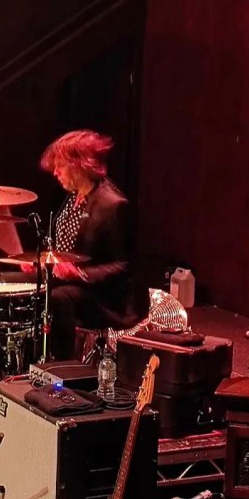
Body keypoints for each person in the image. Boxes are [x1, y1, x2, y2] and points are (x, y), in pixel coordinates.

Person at [31, 130, 148, 360]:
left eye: (60, 166)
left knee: (57, 298)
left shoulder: (112, 205)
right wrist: (41, 262)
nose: (55, 172)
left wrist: (79, 274)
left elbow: (124, 266)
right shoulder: (73, 198)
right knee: (12, 283)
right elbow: (65, 248)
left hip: (107, 298)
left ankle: (63, 365)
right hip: (72, 283)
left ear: (79, 165)